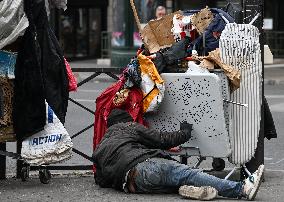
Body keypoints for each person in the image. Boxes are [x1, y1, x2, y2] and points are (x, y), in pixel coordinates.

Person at [93, 109, 264, 201]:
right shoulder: (127, 127)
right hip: (143, 168)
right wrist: (185, 132)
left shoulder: (100, 148)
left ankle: (189, 190)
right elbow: (162, 139)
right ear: (126, 121)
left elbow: (100, 180)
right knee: (188, 174)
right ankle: (241, 189)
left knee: (177, 179)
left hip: (133, 186)